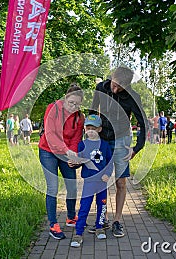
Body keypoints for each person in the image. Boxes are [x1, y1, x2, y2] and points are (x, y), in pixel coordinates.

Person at [90, 66, 147, 238]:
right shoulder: (101, 88)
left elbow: (143, 124)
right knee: (101, 181)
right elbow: (93, 112)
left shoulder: (133, 97)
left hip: (121, 141)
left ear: (127, 86)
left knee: (120, 183)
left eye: (120, 87)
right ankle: (102, 218)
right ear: (111, 77)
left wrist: (137, 148)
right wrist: (90, 135)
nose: (115, 89)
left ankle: (117, 220)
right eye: (114, 84)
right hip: (102, 140)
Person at [38, 84, 85, 240]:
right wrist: (67, 151)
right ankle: (53, 224)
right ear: (65, 98)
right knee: (53, 187)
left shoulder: (80, 117)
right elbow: (50, 135)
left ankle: (71, 217)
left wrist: (72, 156)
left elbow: (76, 138)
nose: (74, 106)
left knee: (72, 184)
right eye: (71, 103)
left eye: (77, 104)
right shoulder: (53, 109)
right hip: (48, 151)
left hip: (65, 153)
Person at [69, 115, 113, 247]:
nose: (91, 131)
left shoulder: (105, 145)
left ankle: (99, 226)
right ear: (85, 129)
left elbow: (110, 162)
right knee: (84, 206)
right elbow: (80, 160)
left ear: (99, 129)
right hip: (89, 182)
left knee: (102, 205)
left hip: (102, 182)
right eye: (88, 128)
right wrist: (75, 163)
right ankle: (78, 233)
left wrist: (108, 174)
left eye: (94, 128)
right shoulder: (82, 144)